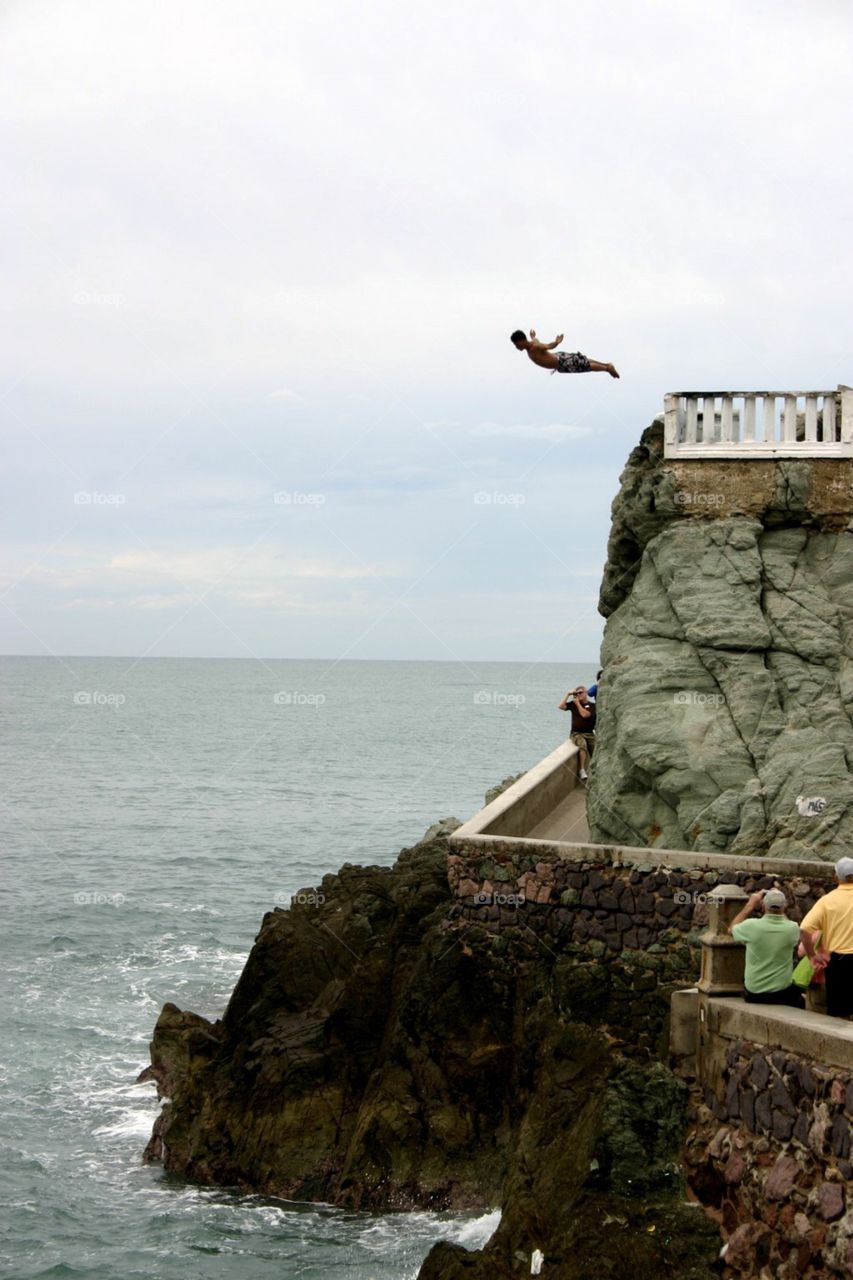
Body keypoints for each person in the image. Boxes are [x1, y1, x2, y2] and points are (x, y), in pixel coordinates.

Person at [729, 888, 806, 1008]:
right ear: (785, 906)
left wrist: (750, 905)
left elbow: (731, 928)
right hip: (782, 993)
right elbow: (785, 920)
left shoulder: (751, 926)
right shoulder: (792, 929)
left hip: (754, 993)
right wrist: (778, 900)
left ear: (763, 905)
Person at [800, 857, 853, 1018]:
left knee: (838, 1013)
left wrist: (812, 956)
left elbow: (804, 930)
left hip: (839, 961)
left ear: (836, 877)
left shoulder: (827, 901)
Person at [510, 329, 619, 379]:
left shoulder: (534, 347)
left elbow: (547, 346)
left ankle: (607, 368)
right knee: (584, 361)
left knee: (586, 366)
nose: (516, 347)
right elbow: (536, 340)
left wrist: (556, 342)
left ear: (522, 341)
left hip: (561, 362)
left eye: (516, 344)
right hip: (559, 360)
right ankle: (607, 365)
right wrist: (533, 336)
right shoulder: (532, 345)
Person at [558, 685, 596, 781]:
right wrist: (568, 694)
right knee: (582, 745)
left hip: (589, 733)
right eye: (577, 693)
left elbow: (585, 715)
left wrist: (578, 704)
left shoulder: (592, 706)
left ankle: (595, 770)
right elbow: (561, 706)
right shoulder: (573, 704)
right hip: (576, 733)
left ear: (586, 693)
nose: (579, 695)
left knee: (596, 750)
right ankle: (582, 770)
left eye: (581, 692)